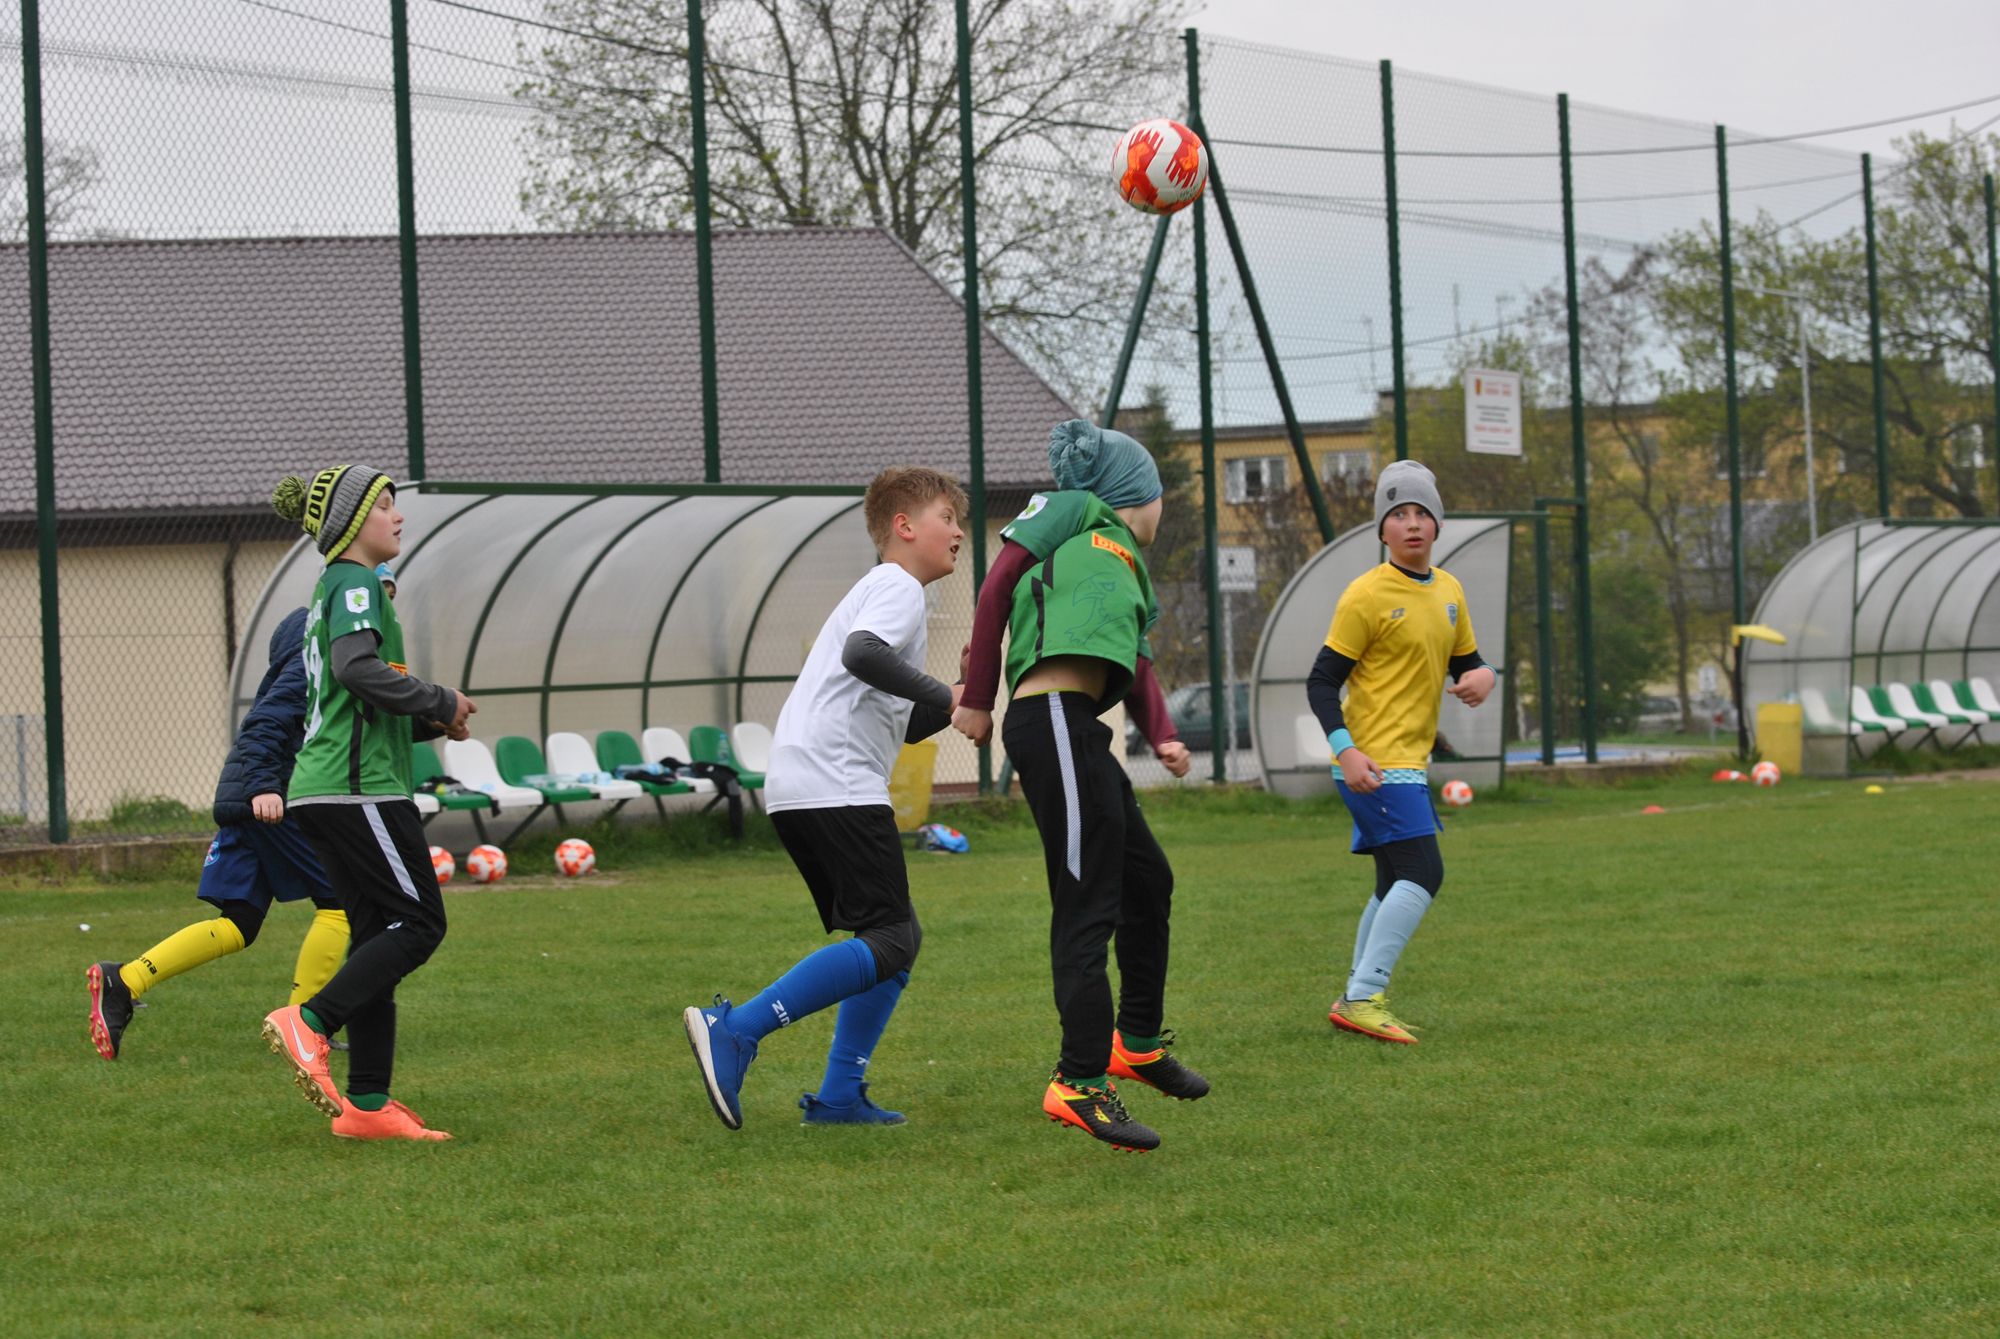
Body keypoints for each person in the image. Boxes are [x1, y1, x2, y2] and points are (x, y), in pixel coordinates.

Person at [684, 467, 967, 1130]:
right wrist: (942, 692)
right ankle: (736, 1029)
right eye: (947, 517)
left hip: (808, 782)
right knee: (891, 937)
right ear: (904, 526)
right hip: (834, 782)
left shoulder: (883, 591)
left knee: (896, 936)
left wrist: (956, 700)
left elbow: (899, 718)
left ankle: (840, 1096)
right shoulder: (897, 586)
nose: (959, 531)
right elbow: (861, 655)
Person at [954, 420, 1207, 1154]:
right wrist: (977, 697)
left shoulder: (1126, 561)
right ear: (1134, 492)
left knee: (1148, 881)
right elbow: (996, 586)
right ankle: (1079, 1081)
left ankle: (1138, 1043)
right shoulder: (1072, 511)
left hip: (1082, 731)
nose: (1162, 506)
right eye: (1158, 493)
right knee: (1087, 898)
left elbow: (1139, 661)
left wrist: (1164, 733)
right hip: (1051, 720)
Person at [260, 466, 476, 1141]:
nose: (397, 515)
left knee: (378, 933)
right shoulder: (354, 582)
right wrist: (439, 697)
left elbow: (353, 702)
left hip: (327, 788)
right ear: (351, 522)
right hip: (358, 791)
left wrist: (431, 720)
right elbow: (357, 669)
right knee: (419, 923)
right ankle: (311, 1021)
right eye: (384, 505)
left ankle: (367, 1106)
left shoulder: (335, 588)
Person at [85, 607, 349, 1060]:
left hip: (244, 800)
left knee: (239, 924)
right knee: (339, 903)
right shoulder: (310, 664)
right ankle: (303, 1026)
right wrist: (265, 786)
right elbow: (262, 727)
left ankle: (124, 980)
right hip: (268, 799)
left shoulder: (304, 670)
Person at [1306, 460, 1494, 1045]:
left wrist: (1484, 676)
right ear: (1382, 530)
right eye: (1399, 514)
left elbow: (1468, 663)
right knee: (1423, 872)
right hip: (1373, 763)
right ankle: (1364, 997)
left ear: (1437, 525)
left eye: (1422, 513)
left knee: (1394, 880)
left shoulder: (1450, 591)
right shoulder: (1365, 594)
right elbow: (1321, 682)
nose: (1412, 524)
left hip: (1409, 763)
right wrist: (1346, 751)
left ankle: (1355, 994)